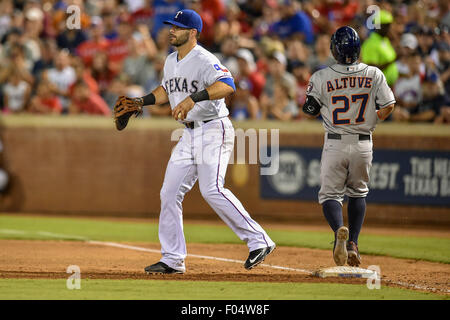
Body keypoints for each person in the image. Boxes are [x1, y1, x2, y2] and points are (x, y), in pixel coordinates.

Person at [113, 9, 275, 274]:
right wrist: (142, 101)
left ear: (193, 33)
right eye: (171, 26)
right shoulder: (170, 60)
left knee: (212, 189)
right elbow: (166, 89)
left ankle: (260, 241)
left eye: (177, 27)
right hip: (188, 134)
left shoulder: (204, 58)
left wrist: (193, 99)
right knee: (169, 192)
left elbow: (227, 85)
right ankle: (173, 259)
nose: (171, 30)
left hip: (213, 129)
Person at [301, 26, 395, 267]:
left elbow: (309, 111)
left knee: (330, 195)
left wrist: (323, 103)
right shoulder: (374, 74)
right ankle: (352, 242)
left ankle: (337, 233)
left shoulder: (322, 76)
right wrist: (371, 119)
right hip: (364, 143)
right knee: (358, 193)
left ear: (334, 50)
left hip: (335, 142)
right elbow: (389, 106)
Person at [361, 10, 399, 86]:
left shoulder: (385, 40)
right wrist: (394, 60)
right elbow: (372, 70)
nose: (390, 28)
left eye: (390, 25)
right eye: (387, 26)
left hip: (389, 86)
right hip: (378, 88)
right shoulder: (370, 44)